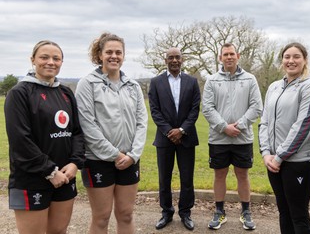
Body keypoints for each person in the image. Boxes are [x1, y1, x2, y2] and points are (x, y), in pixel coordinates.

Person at [4, 40, 85, 234]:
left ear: (61, 62)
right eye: (44, 57)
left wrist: (75, 163)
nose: (50, 62)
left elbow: (77, 132)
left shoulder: (65, 92)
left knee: (58, 231)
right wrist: (50, 171)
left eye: (56, 58)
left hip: (65, 177)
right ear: (33, 60)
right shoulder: (19, 93)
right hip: (32, 179)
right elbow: (20, 140)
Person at [75, 32, 148, 234]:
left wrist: (133, 155)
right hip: (98, 159)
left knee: (126, 214)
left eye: (118, 52)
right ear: (99, 55)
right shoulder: (87, 84)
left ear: (124, 55)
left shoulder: (133, 86)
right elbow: (87, 125)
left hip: (130, 160)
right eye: (109, 52)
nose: (114, 56)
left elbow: (142, 122)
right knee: (102, 217)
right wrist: (115, 154)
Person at [258, 42, 310, 233]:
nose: (291, 61)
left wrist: (279, 157)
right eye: (287, 57)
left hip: (298, 161)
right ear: (282, 61)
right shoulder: (274, 87)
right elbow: (265, 121)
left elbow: (303, 126)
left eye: (296, 57)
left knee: (298, 214)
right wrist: (265, 153)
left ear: (305, 60)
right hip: (273, 161)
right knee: (284, 211)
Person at [202, 43, 262, 230]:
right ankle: (219, 212)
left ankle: (246, 212)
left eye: (232, 54)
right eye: (225, 54)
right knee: (220, 175)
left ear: (238, 55)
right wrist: (223, 127)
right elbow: (207, 108)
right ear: (220, 58)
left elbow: (256, 107)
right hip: (219, 139)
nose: (229, 57)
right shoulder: (212, 80)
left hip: (242, 138)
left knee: (242, 175)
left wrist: (240, 125)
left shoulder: (250, 79)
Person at [148, 47, 201, 231]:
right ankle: (167, 212)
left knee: (187, 178)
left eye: (177, 57)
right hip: (164, 139)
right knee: (165, 178)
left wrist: (182, 130)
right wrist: (169, 131)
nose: (174, 60)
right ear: (166, 60)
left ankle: (185, 213)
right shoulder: (155, 82)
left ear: (182, 59)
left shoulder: (192, 82)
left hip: (186, 138)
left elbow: (195, 110)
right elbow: (154, 110)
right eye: (171, 57)